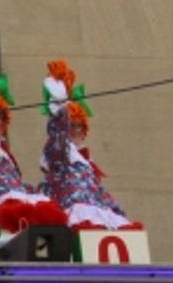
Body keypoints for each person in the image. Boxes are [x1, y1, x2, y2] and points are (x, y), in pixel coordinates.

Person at [0, 52, 65, 233]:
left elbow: (60, 145)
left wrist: (60, 113)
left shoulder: (4, 152)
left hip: (14, 203)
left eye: (1, 118)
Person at [39, 60, 140, 230]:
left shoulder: (86, 162)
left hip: (97, 213)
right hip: (74, 213)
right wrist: (60, 111)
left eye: (80, 126)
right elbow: (57, 137)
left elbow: (99, 192)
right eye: (72, 125)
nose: (77, 130)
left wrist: (118, 215)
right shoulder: (59, 152)